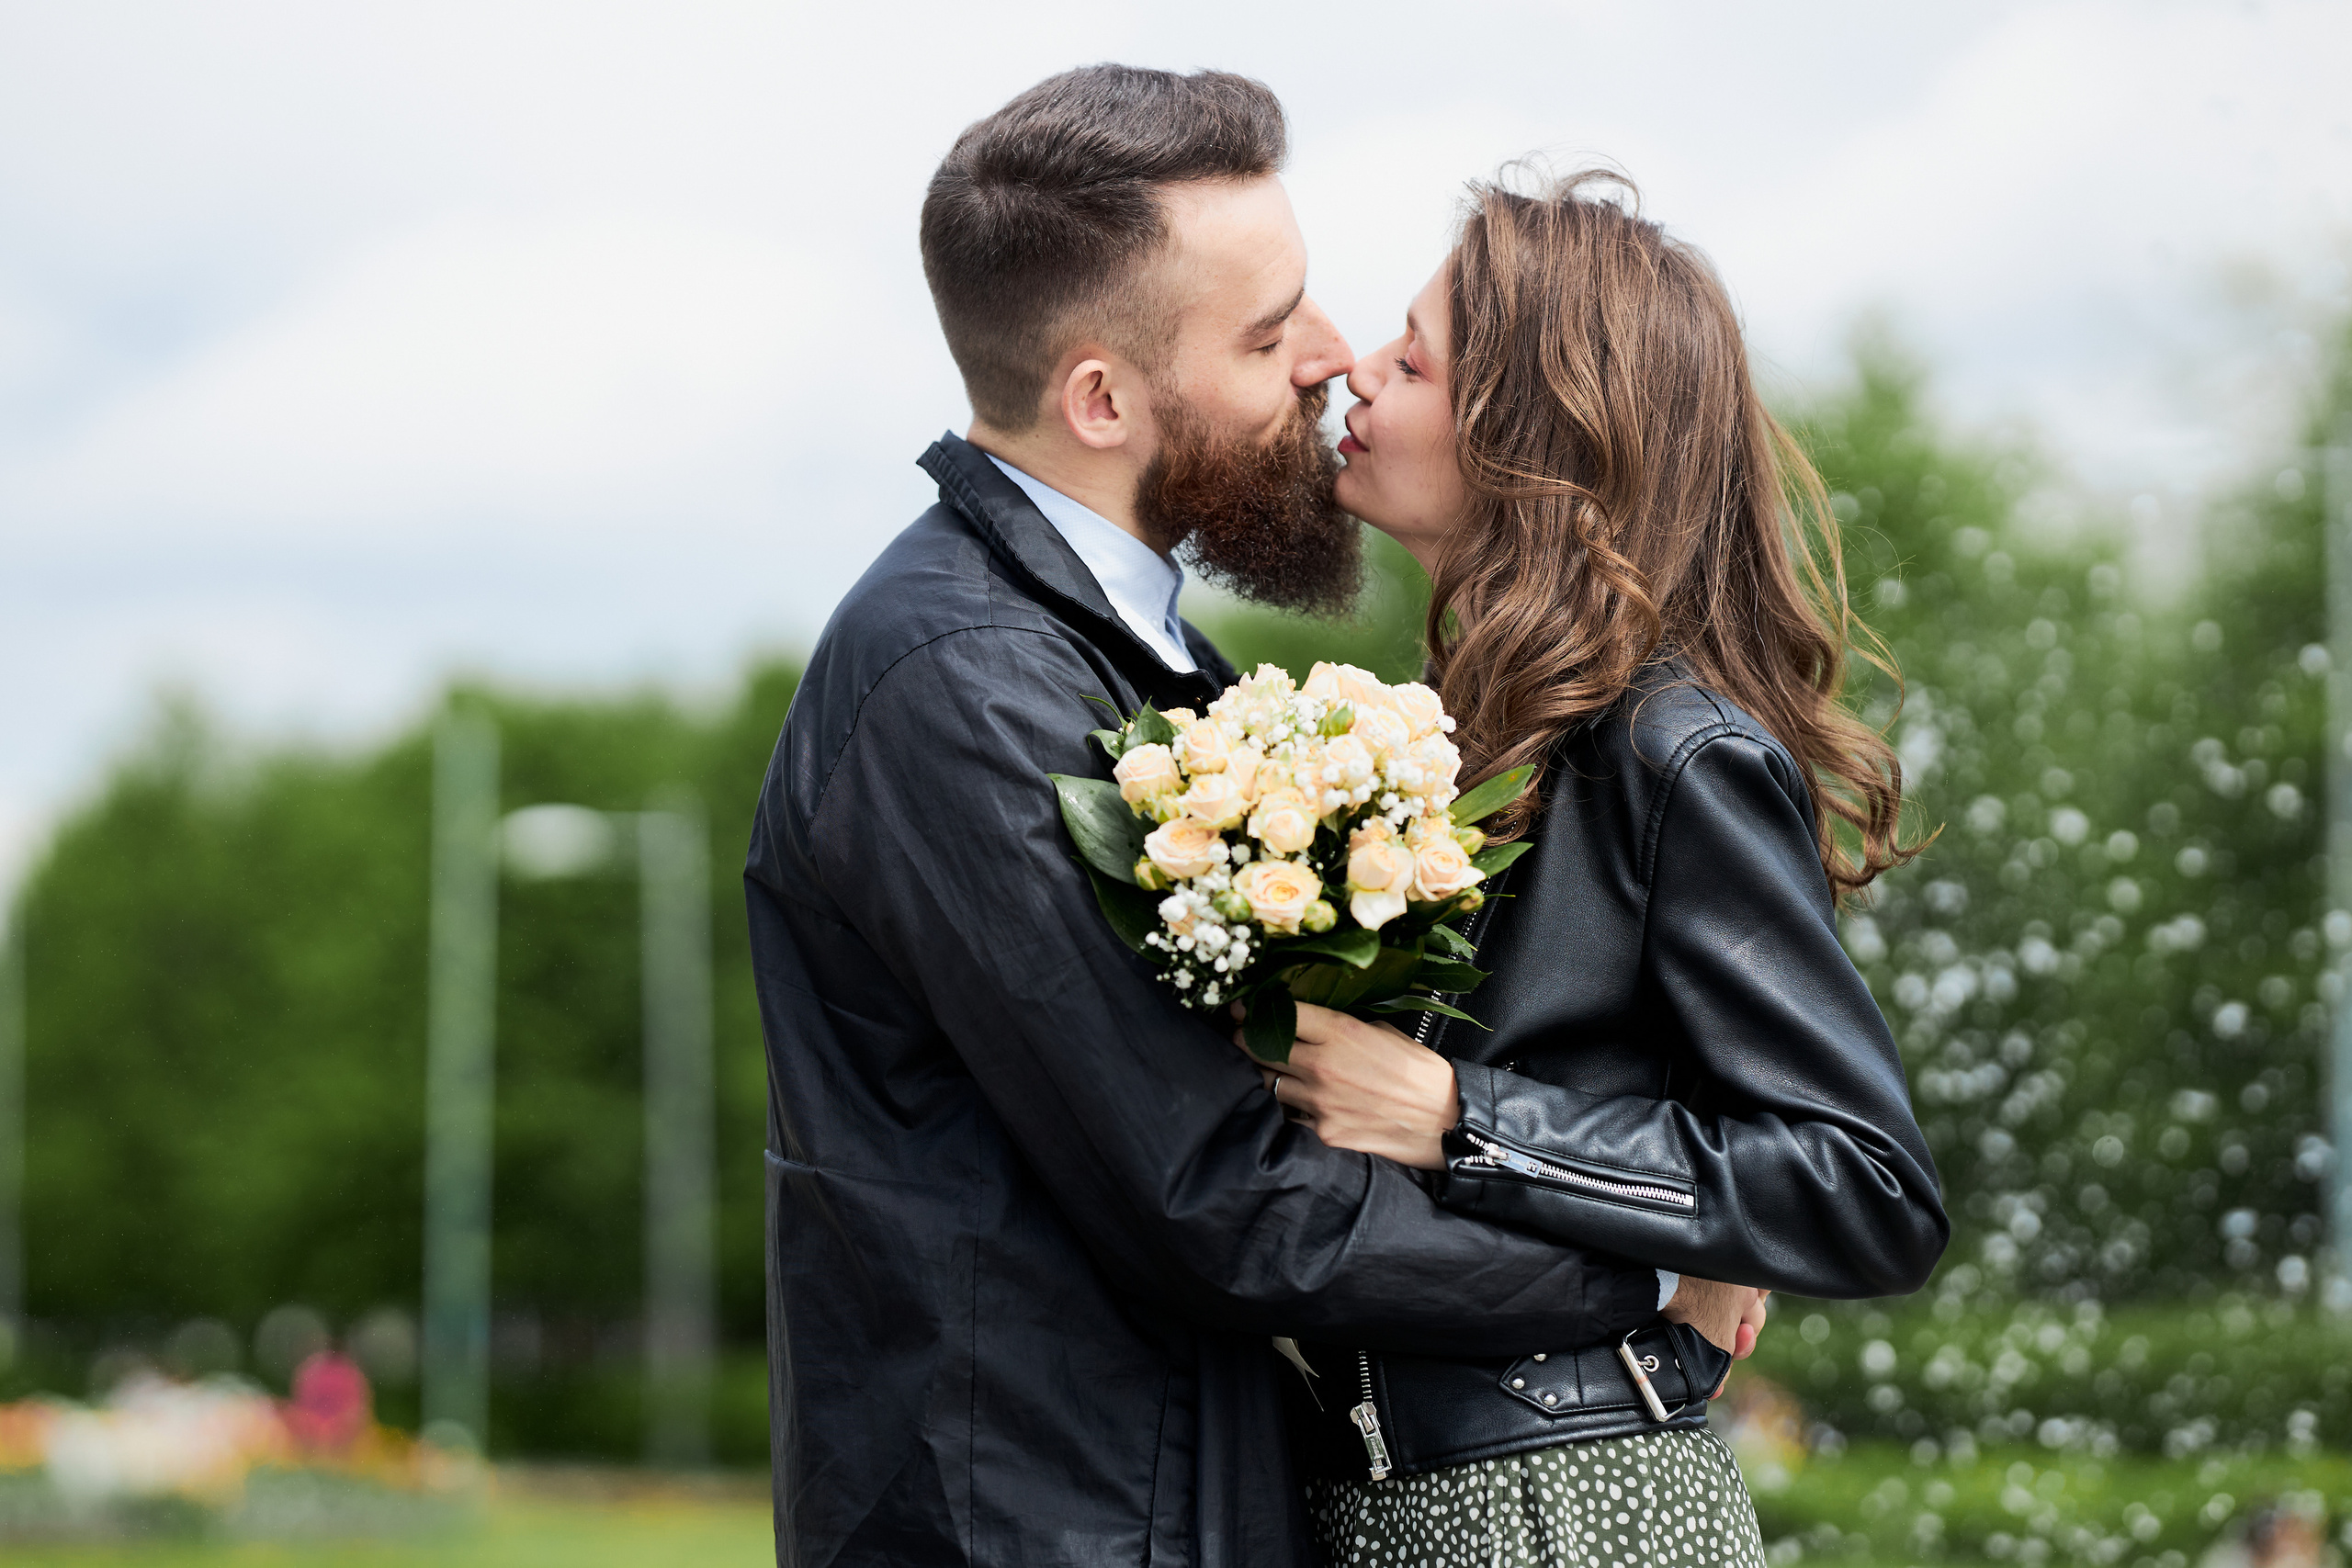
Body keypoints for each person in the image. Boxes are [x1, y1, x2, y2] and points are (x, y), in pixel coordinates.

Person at [745, 73, 1759, 1567]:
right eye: (1269, 329)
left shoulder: (1115, 653)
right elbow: (1225, 1198)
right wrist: (1636, 1277)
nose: (1332, 358)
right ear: (1102, 398)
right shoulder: (963, 686)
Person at [1248, 170, 1951, 1566]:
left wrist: (1467, 1119)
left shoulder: (1670, 752)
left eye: (1412, 357)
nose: (1354, 379)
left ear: (1531, 438)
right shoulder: (1457, 738)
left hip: (1566, 1510)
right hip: (1404, 1507)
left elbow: (1867, 1185)